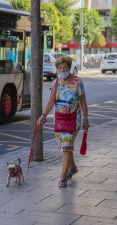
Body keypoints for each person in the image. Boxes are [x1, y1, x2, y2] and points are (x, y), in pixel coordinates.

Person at [37, 55, 89, 187]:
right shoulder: (55, 83)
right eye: (60, 68)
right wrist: (43, 116)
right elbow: (50, 101)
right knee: (65, 147)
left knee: (66, 148)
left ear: (70, 68)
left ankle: (63, 176)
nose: (62, 70)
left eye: (65, 67)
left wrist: (85, 119)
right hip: (59, 119)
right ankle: (73, 168)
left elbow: (83, 102)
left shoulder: (78, 82)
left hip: (73, 119)